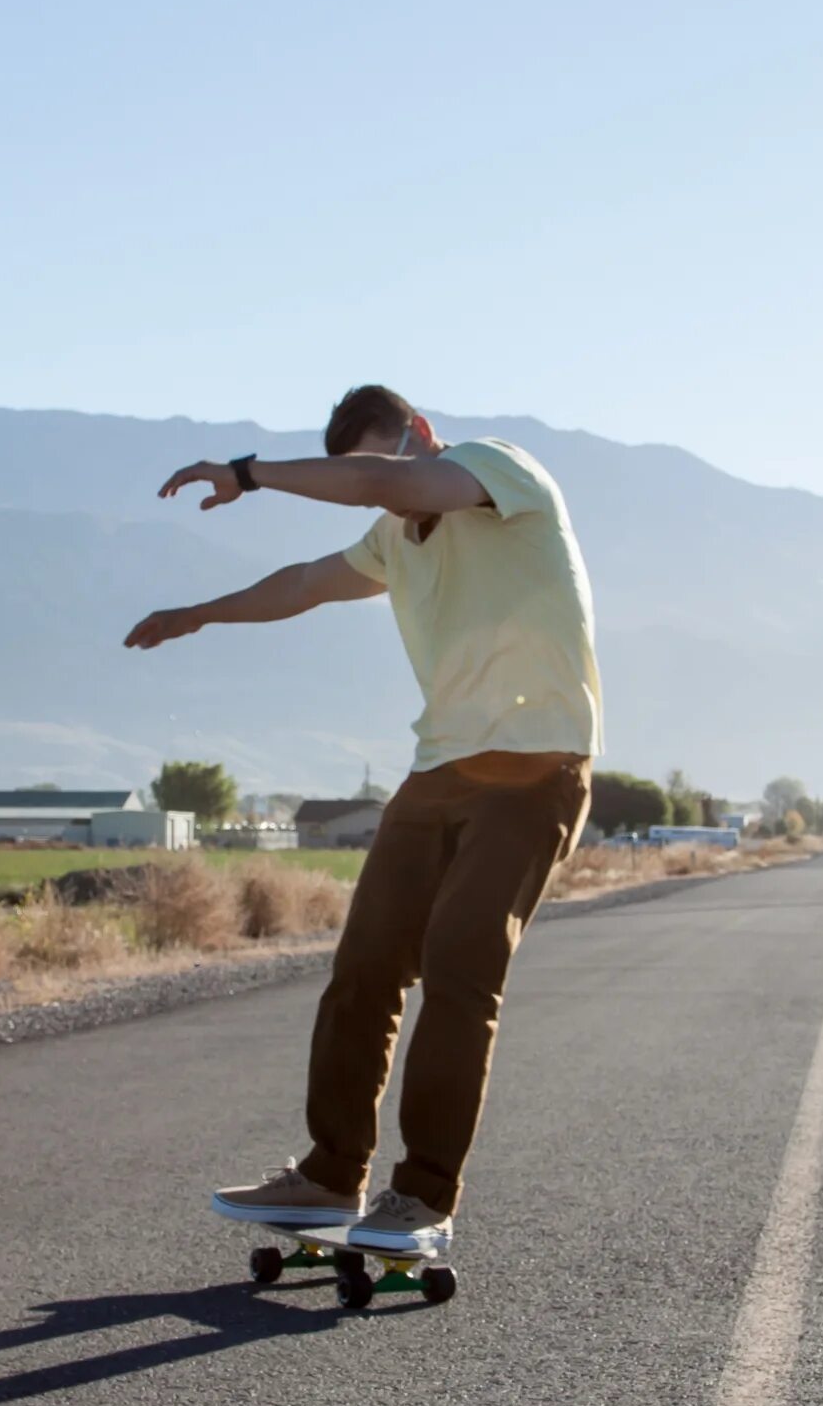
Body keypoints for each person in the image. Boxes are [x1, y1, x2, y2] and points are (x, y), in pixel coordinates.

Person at [123, 383, 600, 1250]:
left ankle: (423, 1196)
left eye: (385, 458)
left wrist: (248, 473)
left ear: (420, 434)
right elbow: (305, 583)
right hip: (438, 771)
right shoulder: (393, 535)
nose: (379, 479)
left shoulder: (495, 471)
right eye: (365, 468)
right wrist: (200, 614)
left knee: (459, 972)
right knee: (365, 971)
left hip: (536, 772)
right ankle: (331, 1174)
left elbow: (393, 485)